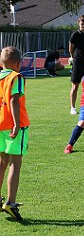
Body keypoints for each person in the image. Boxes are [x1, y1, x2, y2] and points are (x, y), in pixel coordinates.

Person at [0, 46, 30, 220]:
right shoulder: (16, 77)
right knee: (14, 164)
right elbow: (14, 100)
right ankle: (10, 202)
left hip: (0, 125)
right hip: (13, 126)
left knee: (2, 162)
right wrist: (17, 124)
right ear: (18, 64)